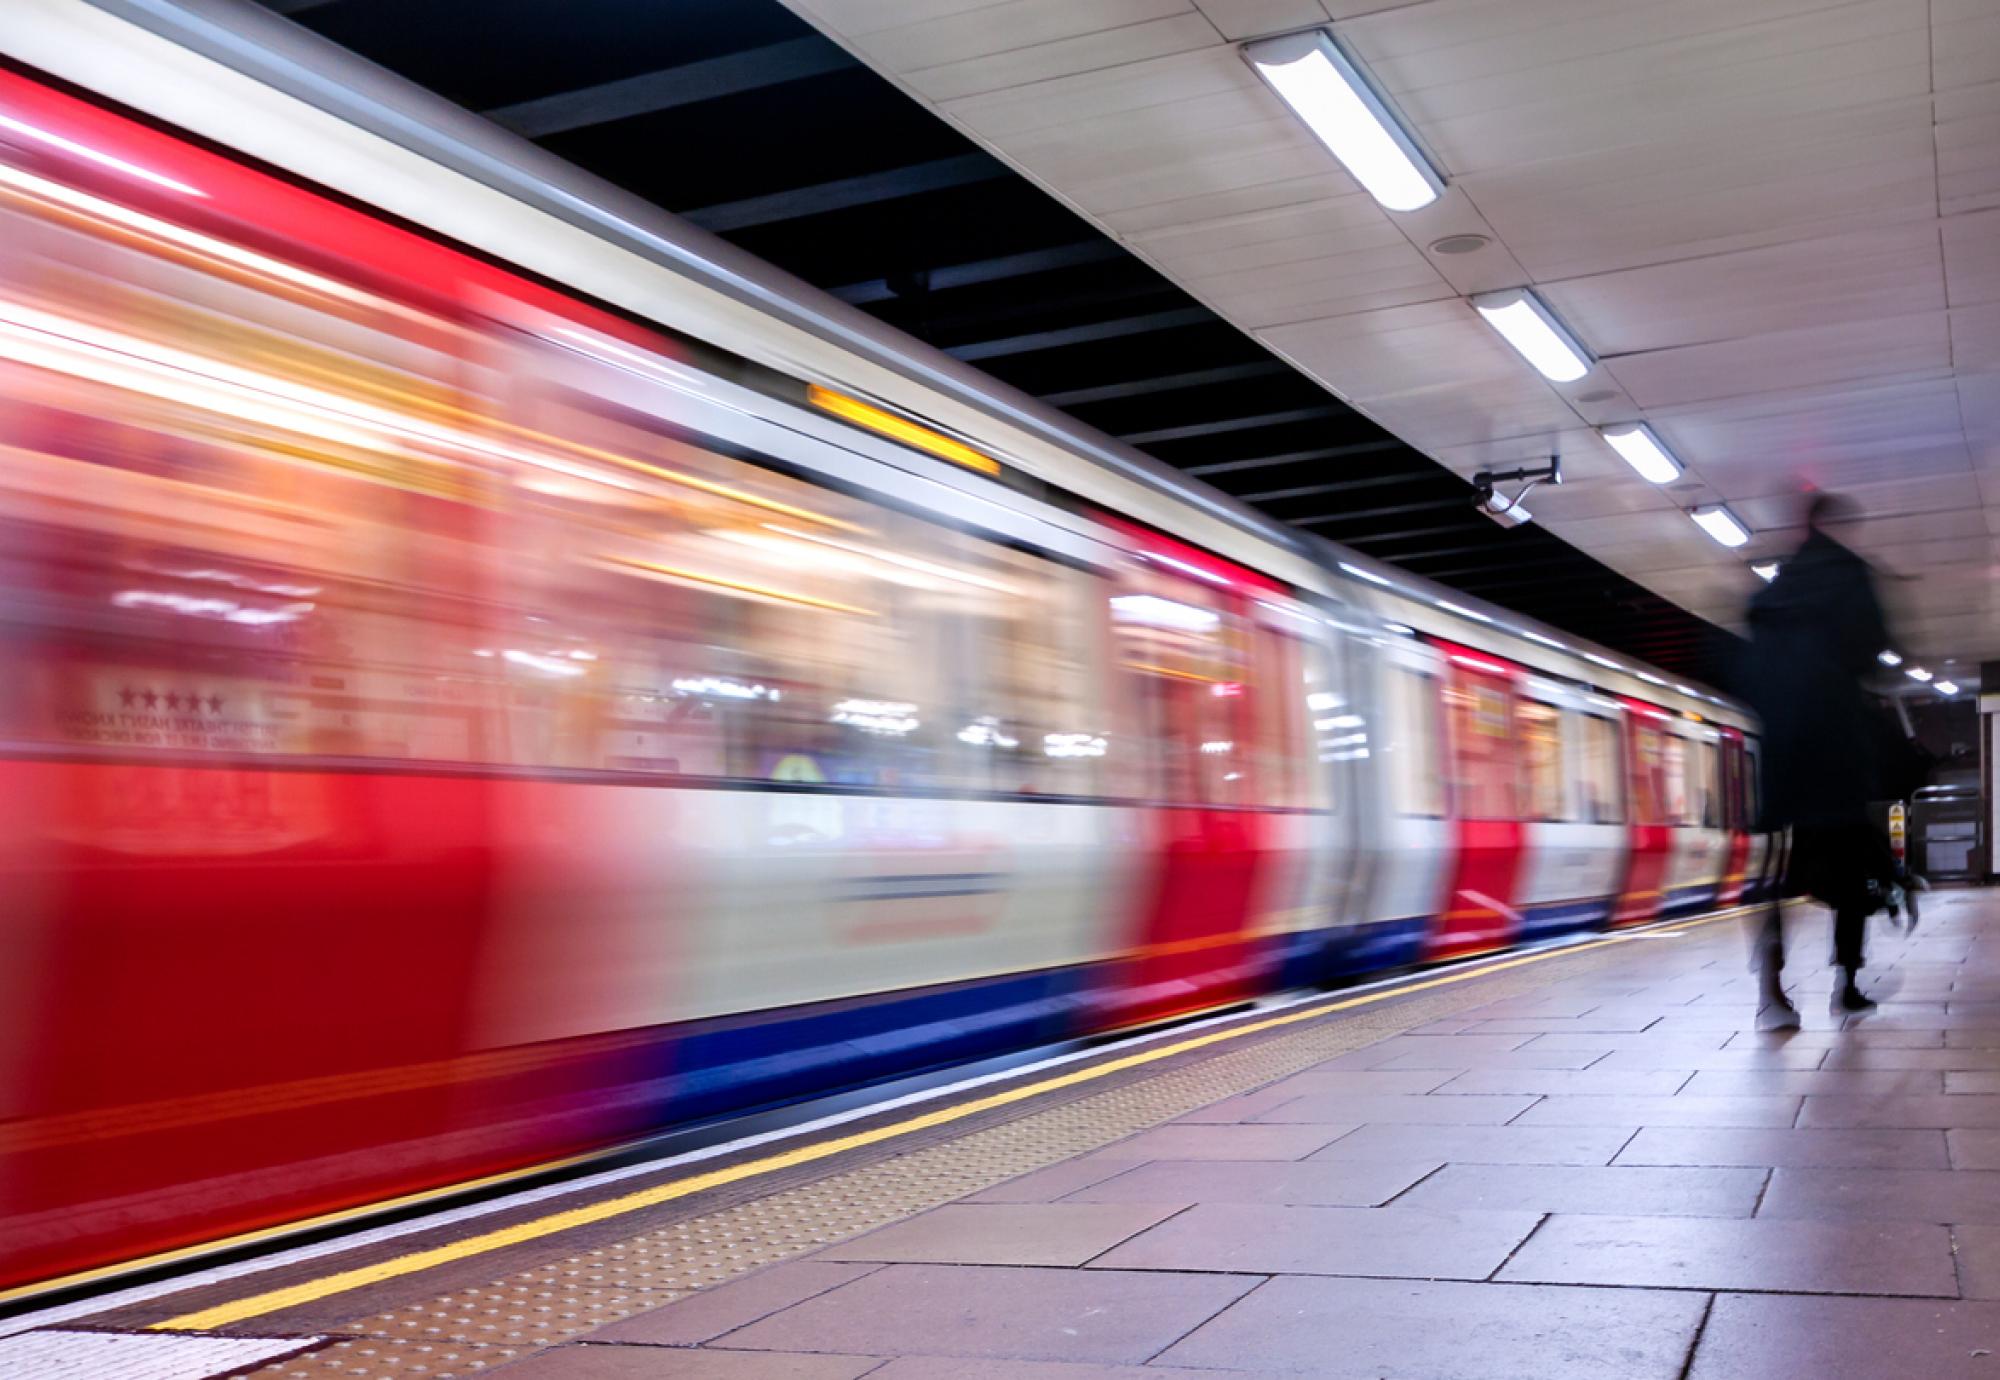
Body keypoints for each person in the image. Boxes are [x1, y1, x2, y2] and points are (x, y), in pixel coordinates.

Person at [1740, 490, 1891, 1026]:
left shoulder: (1774, 593)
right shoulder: (1851, 577)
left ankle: (1771, 994)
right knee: (1852, 878)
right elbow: (1875, 650)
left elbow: (1750, 669)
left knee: (1779, 880)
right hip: (1837, 755)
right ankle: (1847, 984)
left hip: (1785, 762)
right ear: (1833, 524)